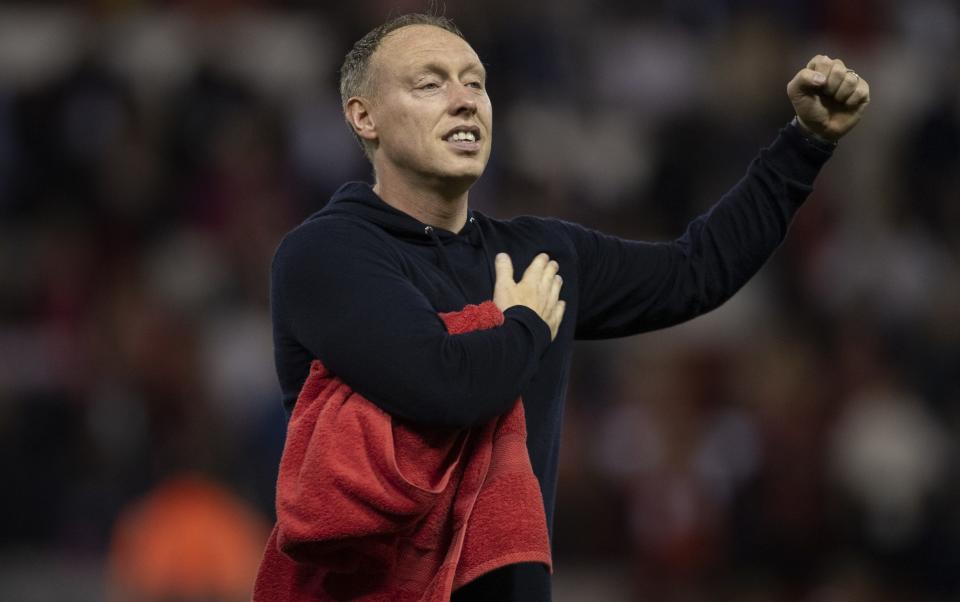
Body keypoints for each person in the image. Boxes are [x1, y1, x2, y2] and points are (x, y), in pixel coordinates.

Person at [262, 12, 870, 601]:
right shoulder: (326, 253)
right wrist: (525, 323)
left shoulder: (540, 255)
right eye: (429, 83)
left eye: (476, 82)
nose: (465, 99)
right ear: (363, 116)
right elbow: (445, 385)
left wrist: (805, 143)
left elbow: (698, 271)